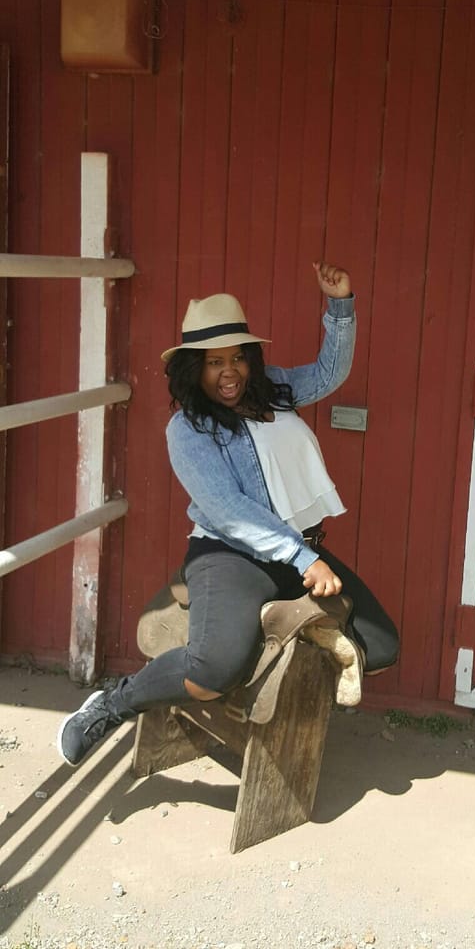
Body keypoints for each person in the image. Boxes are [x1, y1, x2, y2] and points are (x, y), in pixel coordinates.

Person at [57, 262, 399, 767]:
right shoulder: (188, 429)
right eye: (214, 362)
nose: (229, 371)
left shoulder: (273, 389)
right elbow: (230, 511)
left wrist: (340, 304)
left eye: (238, 357)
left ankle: (301, 627)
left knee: (382, 648)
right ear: (193, 368)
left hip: (297, 549)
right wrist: (304, 559)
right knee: (212, 674)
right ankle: (111, 705)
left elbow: (329, 373)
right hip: (231, 553)